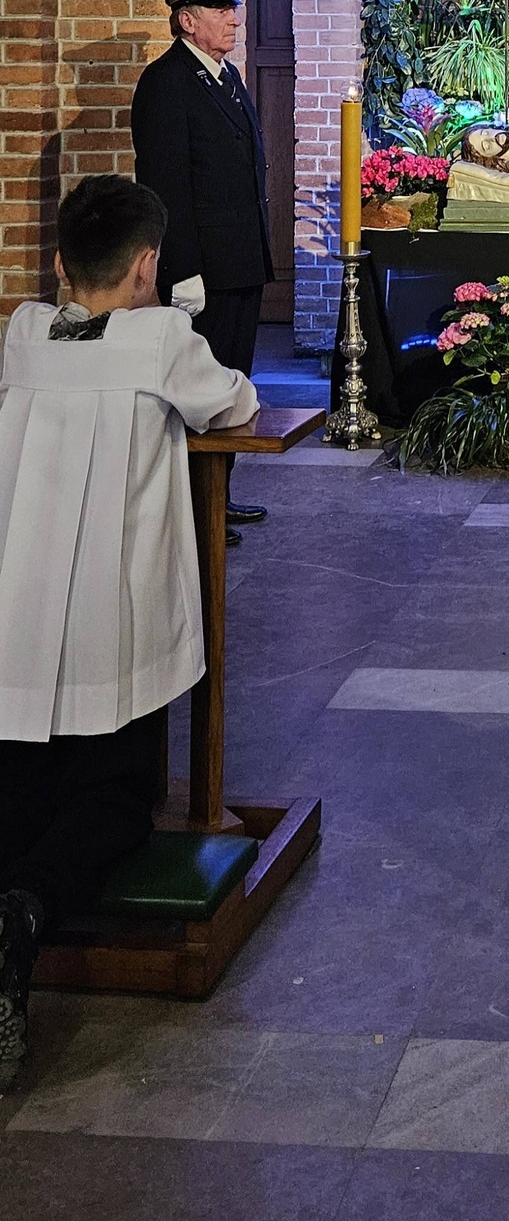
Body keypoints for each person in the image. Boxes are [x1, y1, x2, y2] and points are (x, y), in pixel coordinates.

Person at [0, 176, 258, 1061]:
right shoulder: (162, 341)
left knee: (19, 793)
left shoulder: (24, 333)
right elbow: (235, 403)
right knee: (115, 801)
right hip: (111, 628)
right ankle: (26, 909)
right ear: (147, 266)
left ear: (61, 264)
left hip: (17, 626)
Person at [131, 0, 273, 544]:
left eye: (232, 7)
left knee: (232, 384)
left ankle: (218, 494)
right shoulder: (166, 83)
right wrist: (183, 269)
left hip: (241, 261)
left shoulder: (225, 74)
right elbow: (166, 185)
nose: (234, 18)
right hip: (204, 270)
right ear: (187, 21)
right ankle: (192, 511)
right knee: (199, 389)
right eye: (220, 9)